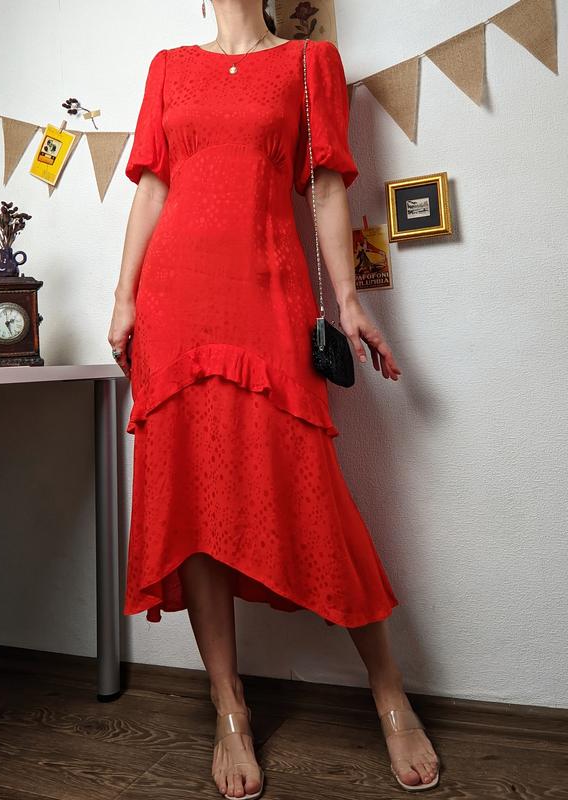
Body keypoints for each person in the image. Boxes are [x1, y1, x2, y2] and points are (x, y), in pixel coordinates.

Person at [108, 1, 440, 797]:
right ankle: (228, 706)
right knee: (188, 505)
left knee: (312, 491)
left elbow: (324, 189)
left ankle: (388, 690)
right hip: (173, 305)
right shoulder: (168, 68)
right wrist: (122, 298)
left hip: (268, 296)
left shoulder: (307, 63)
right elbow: (151, 190)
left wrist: (351, 303)